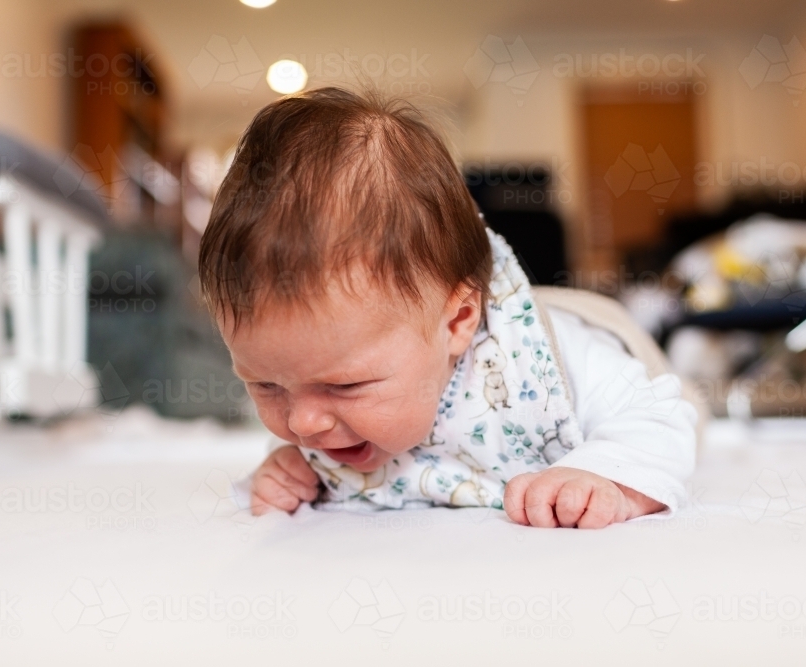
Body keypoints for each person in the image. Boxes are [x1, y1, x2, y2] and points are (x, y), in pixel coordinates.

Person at [198, 87, 696, 529]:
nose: (303, 424)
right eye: (265, 384)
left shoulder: (548, 363)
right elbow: (308, 437)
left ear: (458, 321)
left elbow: (657, 418)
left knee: (688, 397)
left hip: (621, 345)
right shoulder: (325, 405)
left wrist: (604, 474)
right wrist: (286, 471)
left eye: (344, 385)